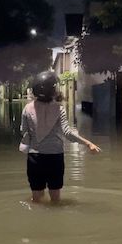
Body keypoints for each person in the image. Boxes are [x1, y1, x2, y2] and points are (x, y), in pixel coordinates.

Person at [20, 71, 101, 203]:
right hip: (55, 157)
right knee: (55, 198)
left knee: (36, 198)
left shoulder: (27, 108)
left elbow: (23, 130)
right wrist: (88, 143)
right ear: (53, 90)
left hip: (34, 158)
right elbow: (68, 133)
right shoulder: (59, 109)